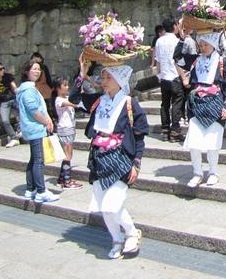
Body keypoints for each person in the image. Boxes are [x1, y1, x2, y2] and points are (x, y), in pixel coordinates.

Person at [72, 57, 149, 260]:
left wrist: (137, 164)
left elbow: (139, 137)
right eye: (103, 76)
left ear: (119, 80)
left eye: (108, 77)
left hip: (121, 158)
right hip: (99, 158)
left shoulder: (130, 104)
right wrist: (82, 73)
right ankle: (116, 239)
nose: (104, 80)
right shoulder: (99, 100)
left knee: (111, 204)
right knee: (104, 207)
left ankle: (132, 232)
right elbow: (74, 97)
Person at [183, 33, 226, 187]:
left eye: (206, 44)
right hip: (197, 103)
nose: (203, 47)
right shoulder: (196, 61)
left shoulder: (221, 62)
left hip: (215, 103)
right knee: (194, 141)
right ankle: (197, 172)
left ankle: (213, 172)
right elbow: (178, 57)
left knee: (213, 141)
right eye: (201, 44)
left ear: (213, 44)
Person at [17, 61, 59, 203]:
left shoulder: (27, 89)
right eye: (34, 69)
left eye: (39, 69)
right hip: (35, 128)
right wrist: (46, 121)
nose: (37, 71)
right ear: (27, 71)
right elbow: (34, 110)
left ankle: (31, 188)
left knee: (34, 159)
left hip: (32, 127)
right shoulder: (28, 90)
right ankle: (41, 191)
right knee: (39, 160)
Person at [154, 18, 184, 142]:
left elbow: (158, 61)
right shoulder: (177, 41)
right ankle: (175, 131)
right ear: (174, 26)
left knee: (164, 104)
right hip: (175, 77)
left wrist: (159, 75)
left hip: (164, 77)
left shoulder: (159, 41)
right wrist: (184, 77)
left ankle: (165, 130)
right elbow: (180, 62)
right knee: (177, 103)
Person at [53, 77, 83, 189]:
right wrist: (78, 103)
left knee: (68, 154)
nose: (67, 87)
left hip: (69, 128)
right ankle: (66, 181)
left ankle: (62, 178)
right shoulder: (59, 100)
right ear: (57, 88)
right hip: (65, 129)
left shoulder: (65, 98)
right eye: (64, 85)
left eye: (67, 85)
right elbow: (70, 103)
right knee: (68, 155)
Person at [31, 52, 54, 122]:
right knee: (40, 109)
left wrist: (51, 87)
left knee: (49, 108)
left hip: (45, 90)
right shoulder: (30, 67)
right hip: (37, 90)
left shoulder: (44, 67)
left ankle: (51, 123)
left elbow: (48, 78)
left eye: (38, 57)